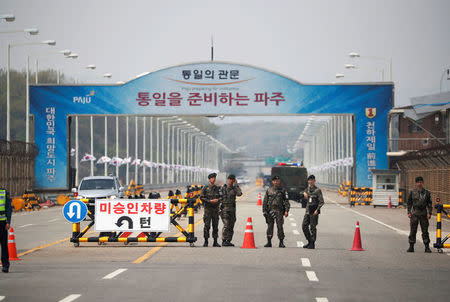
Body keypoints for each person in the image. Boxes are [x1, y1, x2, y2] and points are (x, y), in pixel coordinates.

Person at [262, 175, 290, 248]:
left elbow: (286, 201)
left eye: (277, 181)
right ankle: (269, 242)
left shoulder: (283, 190)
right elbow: (265, 201)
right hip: (270, 210)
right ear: (272, 182)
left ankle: (281, 242)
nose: (276, 182)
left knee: (280, 226)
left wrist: (286, 210)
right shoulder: (269, 190)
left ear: (279, 181)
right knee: (270, 226)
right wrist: (264, 211)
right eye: (274, 181)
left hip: (279, 211)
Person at [407, 176, 432, 253]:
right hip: (415, 213)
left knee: (425, 230)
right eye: (418, 182)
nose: (419, 184)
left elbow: (429, 204)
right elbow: (409, 203)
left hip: (423, 213)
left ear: (422, 183)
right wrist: (408, 212)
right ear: (416, 183)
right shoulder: (412, 192)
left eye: (421, 182)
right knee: (413, 230)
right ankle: (411, 246)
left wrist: (429, 213)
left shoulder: (426, 193)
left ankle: (427, 247)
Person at [301, 175, 324, 249]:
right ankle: (309, 241)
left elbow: (321, 202)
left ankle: (312, 243)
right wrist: (303, 193)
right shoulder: (307, 189)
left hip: (314, 211)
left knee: (312, 227)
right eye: (309, 180)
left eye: (312, 180)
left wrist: (317, 210)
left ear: (314, 181)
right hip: (307, 211)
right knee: (304, 226)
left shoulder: (317, 190)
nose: (310, 182)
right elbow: (301, 193)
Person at [200, 173, 222, 247]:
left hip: (215, 210)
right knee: (207, 226)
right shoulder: (205, 188)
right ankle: (206, 241)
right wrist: (210, 201)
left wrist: (218, 200)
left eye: (214, 178)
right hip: (208, 210)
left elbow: (221, 197)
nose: (214, 179)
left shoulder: (217, 188)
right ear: (209, 179)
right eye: (212, 178)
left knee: (215, 226)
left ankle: (215, 242)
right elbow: (201, 197)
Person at [220, 174, 242, 247]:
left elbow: (239, 194)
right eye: (229, 179)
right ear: (227, 180)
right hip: (224, 209)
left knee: (231, 225)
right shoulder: (223, 188)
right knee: (226, 225)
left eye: (232, 180)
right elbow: (219, 198)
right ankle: (224, 240)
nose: (230, 181)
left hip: (232, 210)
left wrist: (236, 185)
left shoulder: (234, 188)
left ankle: (228, 240)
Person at [0, 188, 12, 273]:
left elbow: (8, 208)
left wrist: (8, 222)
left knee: (4, 245)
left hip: (2, 224)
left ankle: (5, 265)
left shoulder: (4, 193)